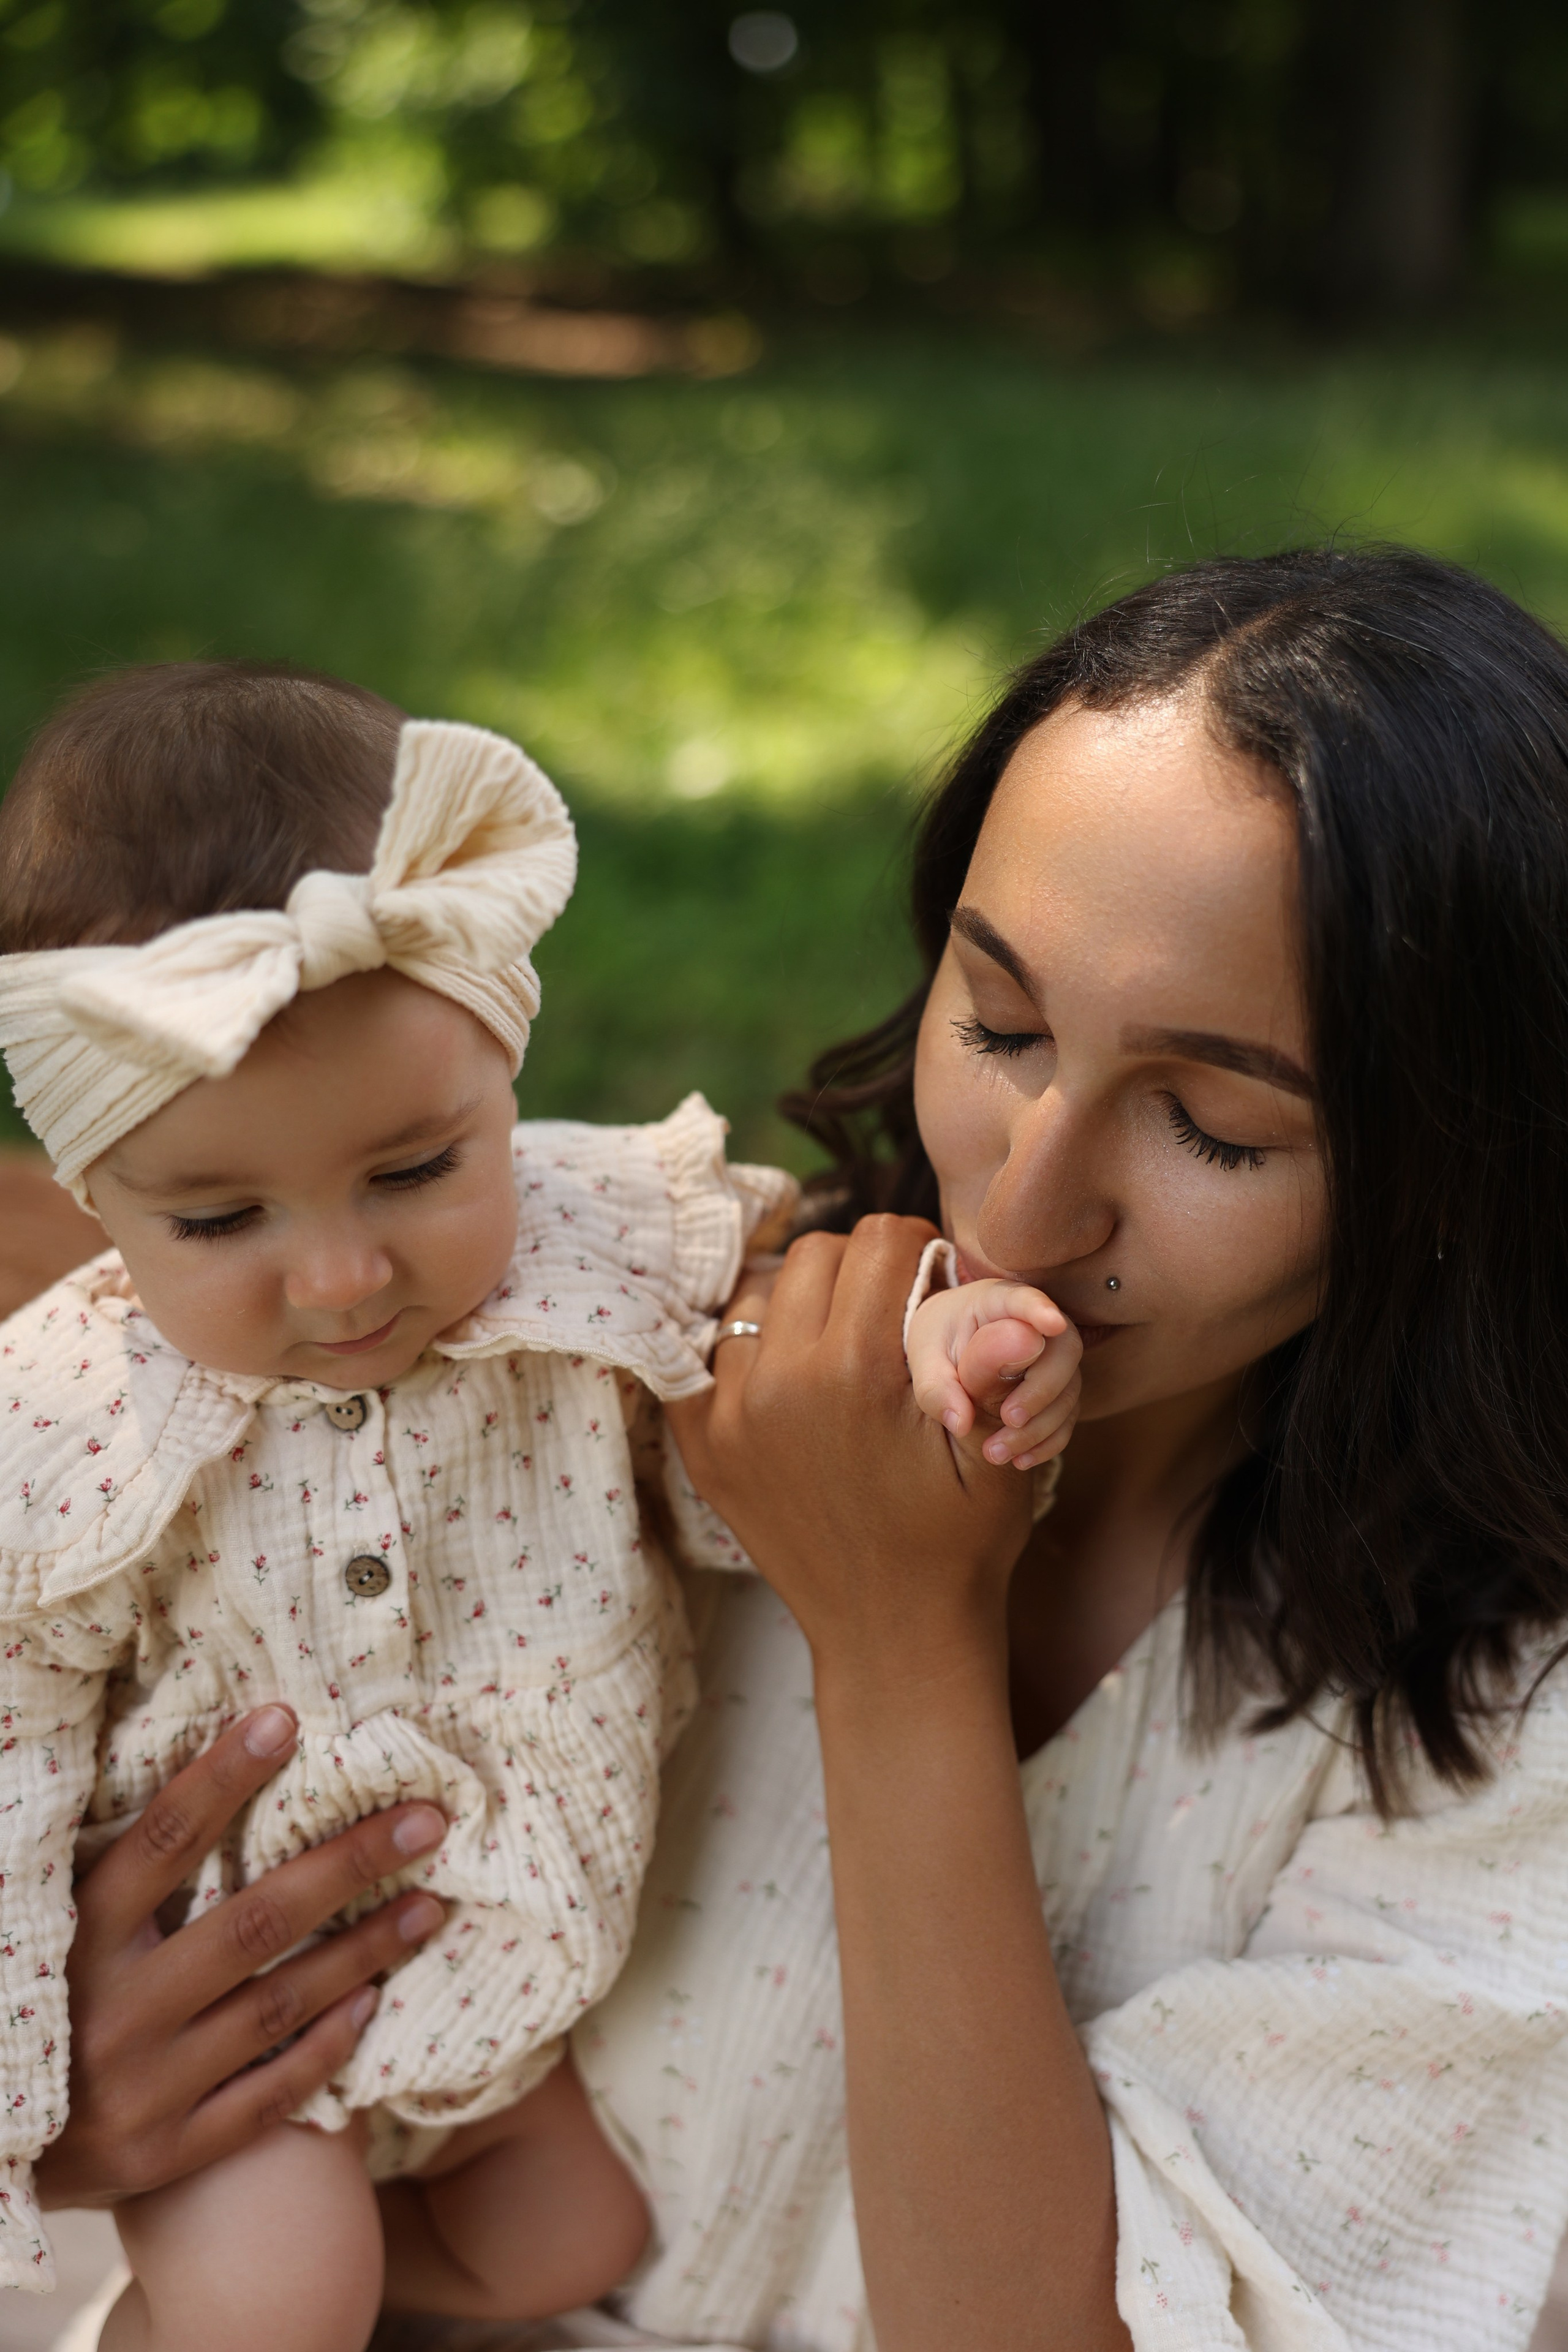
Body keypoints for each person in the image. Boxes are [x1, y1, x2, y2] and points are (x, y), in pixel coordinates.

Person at [27, 545, 1568, 2352]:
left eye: (1217, 1131)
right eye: (996, 1022)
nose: (1032, 1199)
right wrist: (103, 2084)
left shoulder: (1497, 1743)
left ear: (1462, 1163)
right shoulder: (632, 1359)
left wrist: (899, 1635)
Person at [0, 663, 804, 2348]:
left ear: (506, 1069)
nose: (345, 1273)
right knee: (286, 2302)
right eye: (222, 1222)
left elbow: (785, 1345)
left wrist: (957, 1335)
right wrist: (23, 2053)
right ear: (101, 1197)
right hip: (230, 2020)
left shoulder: (601, 1241)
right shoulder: (69, 1417)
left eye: (418, 1169)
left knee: (572, 2242)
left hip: (500, 1977)